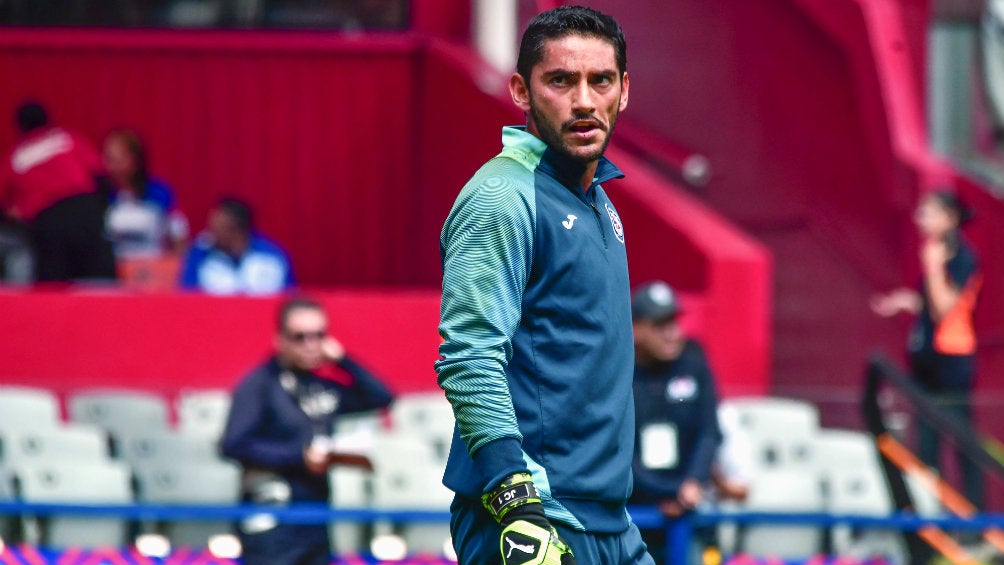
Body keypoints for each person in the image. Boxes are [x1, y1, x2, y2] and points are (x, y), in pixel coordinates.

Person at [435, 6, 652, 565]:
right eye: (560, 80)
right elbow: (468, 355)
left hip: (609, 521)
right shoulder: (502, 198)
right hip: (535, 521)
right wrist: (517, 506)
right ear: (521, 91)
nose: (584, 101)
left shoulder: (597, 200)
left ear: (623, 90)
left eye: (600, 80)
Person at [220, 296, 395, 565]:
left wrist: (342, 359)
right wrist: (299, 456)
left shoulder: (321, 385)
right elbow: (233, 444)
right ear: (280, 339)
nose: (310, 345)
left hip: (315, 521)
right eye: (300, 337)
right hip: (270, 523)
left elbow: (381, 396)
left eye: (318, 336)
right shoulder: (259, 384)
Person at [871, 189, 983, 508]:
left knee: (962, 442)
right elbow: (929, 305)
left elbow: (945, 308)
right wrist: (905, 301)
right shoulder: (933, 253)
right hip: (926, 361)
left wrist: (933, 267)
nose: (921, 219)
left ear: (949, 218)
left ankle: (973, 520)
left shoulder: (963, 257)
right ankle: (927, 515)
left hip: (952, 362)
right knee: (926, 443)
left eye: (928, 213)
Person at [629, 281, 722, 565]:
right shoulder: (621, 369)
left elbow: (710, 432)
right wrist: (664, 491)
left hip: (689, 508)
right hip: (636, 514)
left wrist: (690, 485)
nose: (671, 333)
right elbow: (617, 447)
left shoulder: (694, 360)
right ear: (637, 329)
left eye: (674, 322)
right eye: (659, 324)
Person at [0, 100, 116, 282]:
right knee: (98, 282)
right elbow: (101, 177)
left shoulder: (15, 155)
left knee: (53, 288)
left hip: (49, 221)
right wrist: (99, 213)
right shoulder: (67, 138)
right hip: (85, 210)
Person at [102, 129, 189, 260]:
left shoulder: (159, 193)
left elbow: (180, 238)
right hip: (115, 272)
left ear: (135, 159)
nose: (112, 166)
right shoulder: (103, 196)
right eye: (109, 159)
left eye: (118, 159)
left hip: (153, 271)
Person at [179, 196, 294, 295]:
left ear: (237, 232)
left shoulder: (273, 258)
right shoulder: (198, 256)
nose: (209, 234)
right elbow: (188, 298)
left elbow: (287, 299)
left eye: (216, 229)